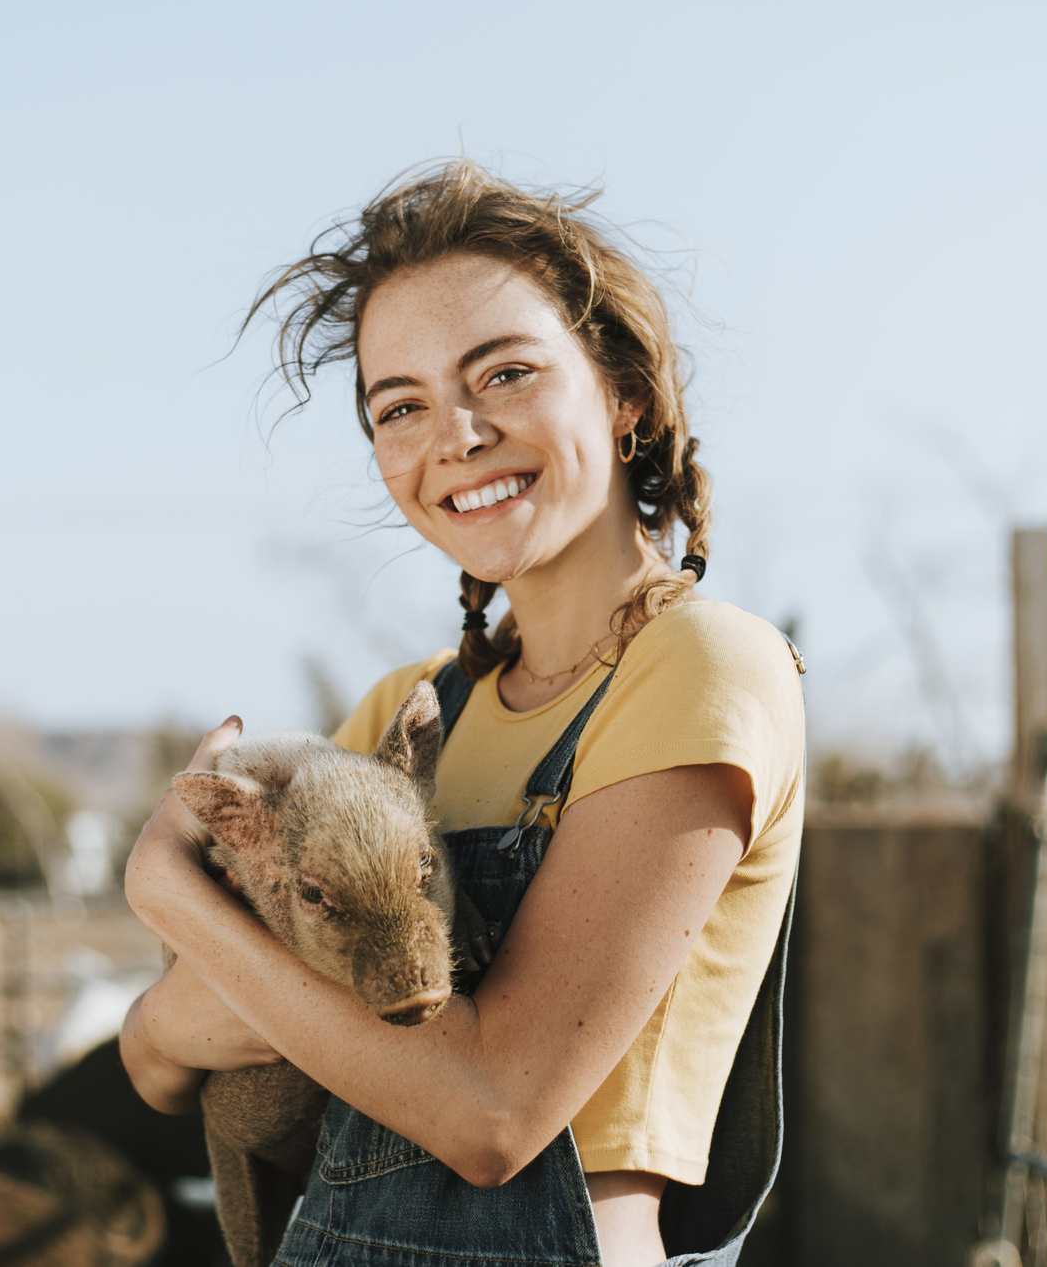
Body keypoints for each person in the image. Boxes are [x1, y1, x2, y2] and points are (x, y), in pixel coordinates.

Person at [120, 162, 805, 1267]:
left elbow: (491, 1113)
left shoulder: (699, 665)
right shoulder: (406, 713)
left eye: (506, 374)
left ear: (624, 395)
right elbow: (157, 1063)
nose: (458, 432)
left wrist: (161, 890)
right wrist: (163, 1021)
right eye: (401, 406)